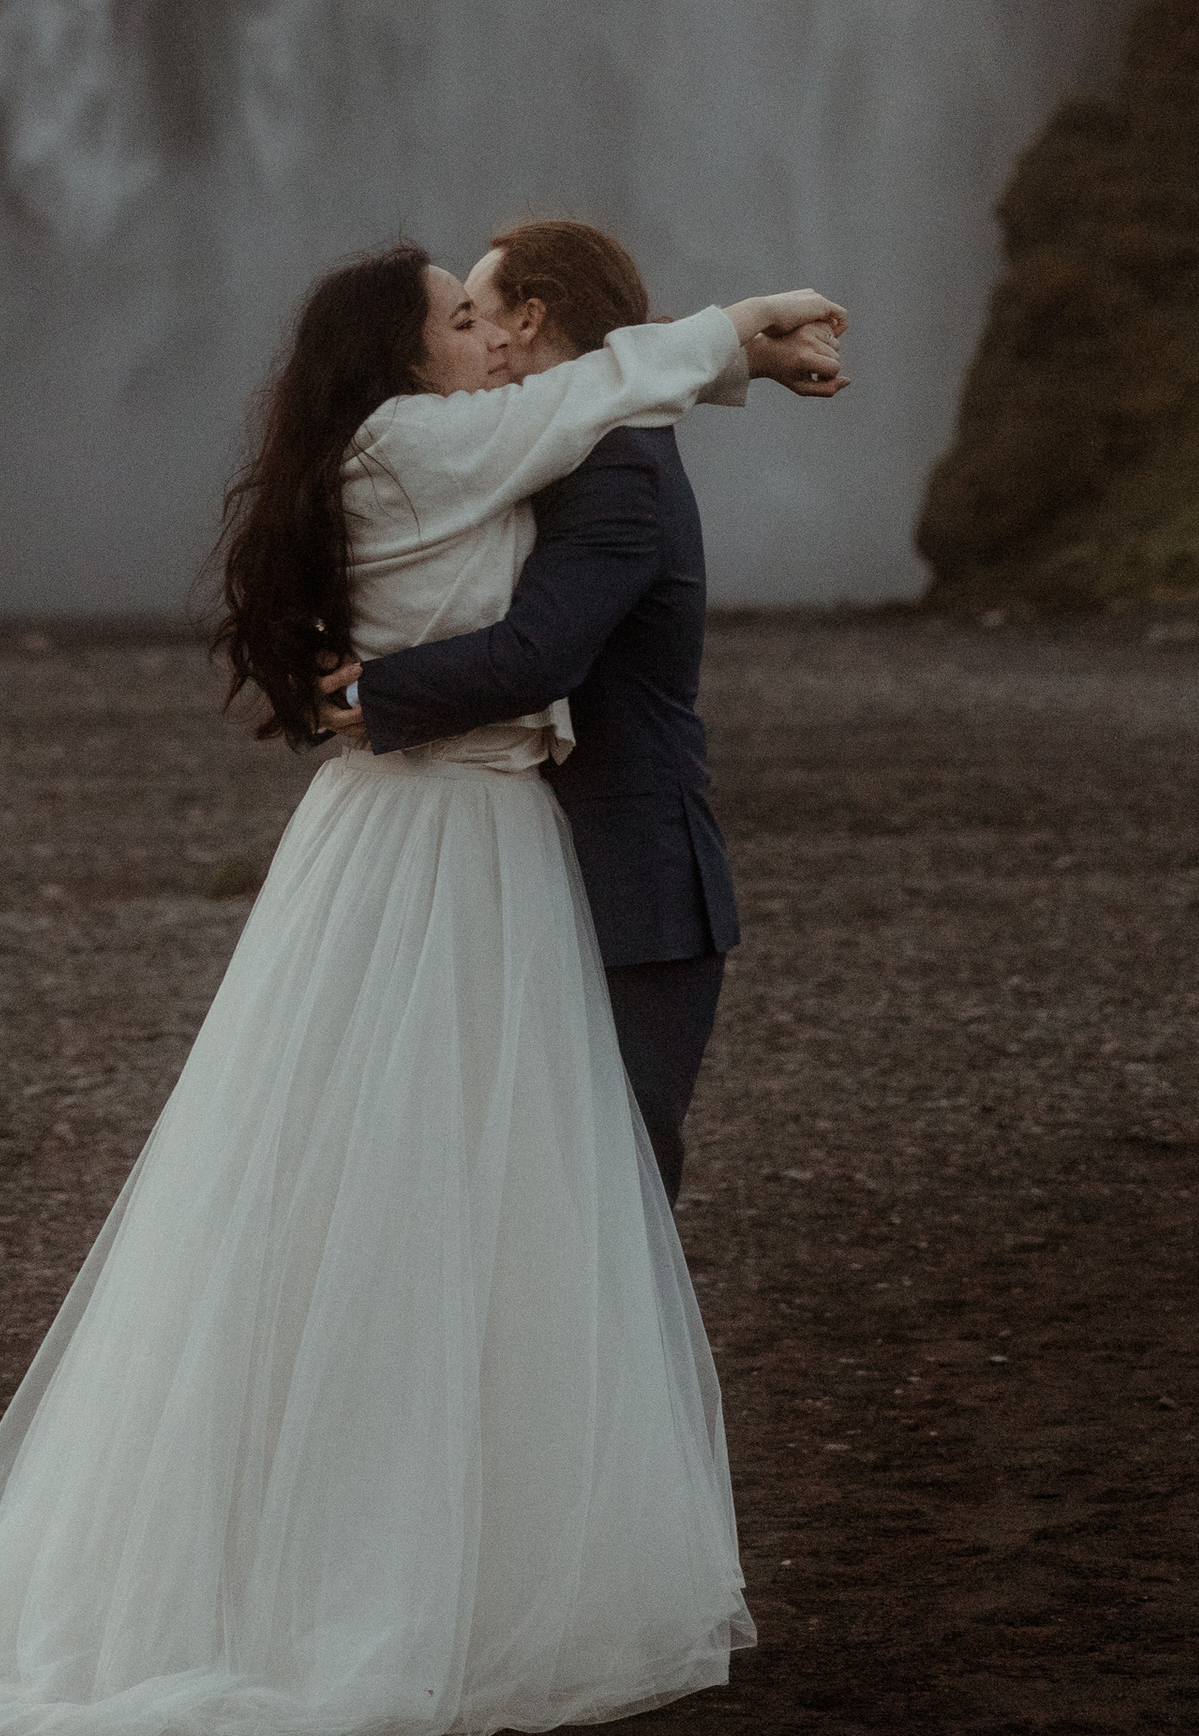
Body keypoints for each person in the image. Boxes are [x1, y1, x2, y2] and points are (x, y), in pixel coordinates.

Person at [0, 243, 846, 1736]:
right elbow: (582, 412)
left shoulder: (427, 449)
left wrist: (730, 358)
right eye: (461, 316)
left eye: (495, 308)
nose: (487, 333)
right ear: (401, 361)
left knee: (396, 1178)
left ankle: (384, 1518)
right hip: (447, 836)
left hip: (432, 833)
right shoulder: (421, 444)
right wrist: (738, 331)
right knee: (441, 1184)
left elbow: (585, 406)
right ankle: (401, 1551)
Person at [321, 218, 840, 1201]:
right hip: (554, 864)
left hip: (631, 883)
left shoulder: (618, 473)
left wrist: (367, 692)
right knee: (530, 1176)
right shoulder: (554, 456)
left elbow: (539, 654)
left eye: (479, 312)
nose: (475, 338)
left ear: (530, 316)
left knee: (614, 1185)